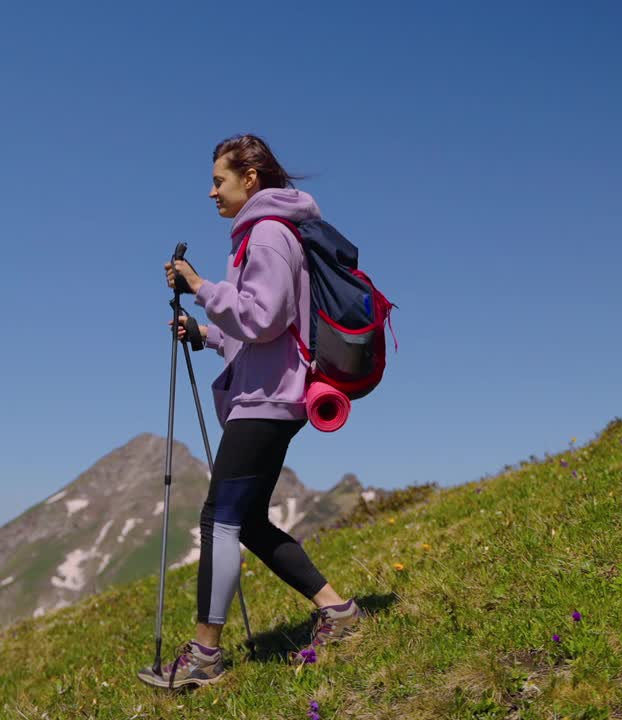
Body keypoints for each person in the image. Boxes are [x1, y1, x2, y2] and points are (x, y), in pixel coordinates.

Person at [137, 134, 362, 690]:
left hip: (265, 402)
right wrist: (205, 333)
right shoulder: (265, 235)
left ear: (251, 178)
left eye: (219, 180)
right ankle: (337, 612)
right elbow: (260, 331)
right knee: (251, 522)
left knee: (220, 518)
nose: (211, 191)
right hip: (271, 394)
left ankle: (204, 656)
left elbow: (262, 320)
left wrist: (200, 286)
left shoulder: (266, 235)